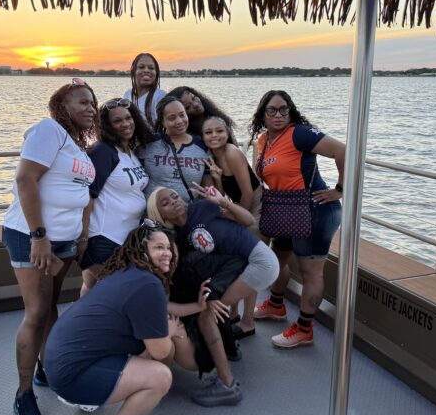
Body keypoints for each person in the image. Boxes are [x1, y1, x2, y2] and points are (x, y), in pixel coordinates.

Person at [1, 78, 98, 415]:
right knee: (37, 311)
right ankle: (23, 393)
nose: (90, 108)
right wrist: (38, 236)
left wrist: (83, 233)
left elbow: (82, 195)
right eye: (81, 102)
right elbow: (25, 180)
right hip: (33, 236)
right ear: (62, 107)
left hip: (66, 241)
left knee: (52, 304)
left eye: (93, 103)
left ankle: (48, 369)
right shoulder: (49, 131)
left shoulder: (76, 146)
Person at [44, 225, 181, 415]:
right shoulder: (149, 285)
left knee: (140, 346)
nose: (167, 253)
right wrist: (170, 334)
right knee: (160, 378)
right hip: (70, 375)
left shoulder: (124, 272)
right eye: (159, 247)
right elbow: (160, 353)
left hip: (60, 360)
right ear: (141, 250)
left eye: (169, 247)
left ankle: (89, 394)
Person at [248, 90, 345, 349]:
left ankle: (304, 329)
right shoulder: (264, 140)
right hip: (285, 209)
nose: (278, 115)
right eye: (272, 110)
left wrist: (340, 189)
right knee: (276, 259)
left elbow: (342, 151)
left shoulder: (299, 133)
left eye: (283, 109)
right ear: (263, 114)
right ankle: (276, 305)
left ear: (290, 111)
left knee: (310, 271)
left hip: (314, 209)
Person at [148, 184, 279, 366]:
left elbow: (248, 221)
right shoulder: (178, 237)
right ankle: (229, 351)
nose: (174, 202)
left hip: (260, 261)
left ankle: (223, 373)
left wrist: (223, 202)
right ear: (161, 215)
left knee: (210, 311)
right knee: (213, 302)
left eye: (175, 196)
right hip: (237, 265)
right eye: (166, 203)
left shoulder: (203, 207)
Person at [79, 98, 153, 296]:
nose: (126, 124)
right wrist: (83, 237)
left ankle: (78, 325)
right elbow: (87, 195)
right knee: (122, 294)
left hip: (126, 238)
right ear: (108, 126)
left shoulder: (129, 151)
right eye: (117, 121)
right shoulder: (103, 151)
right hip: (103, 238)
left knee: (92, 288)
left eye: (128, 118)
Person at [202, 114, 263, 334]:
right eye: (208, 132)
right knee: (238, 263)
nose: (214, 135)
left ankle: (248, 322)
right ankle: (233, 314)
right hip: (239, 209)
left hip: (255, 209)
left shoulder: (232, 152)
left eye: (219, 131)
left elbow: (247, 192)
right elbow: (225, 196)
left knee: (251, 265)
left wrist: (239, 221)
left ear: (227, 133)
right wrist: (217, 178)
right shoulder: (213, 158)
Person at [138, 96, 212, 203]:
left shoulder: (202, 147)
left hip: (189, 213)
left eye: (182, 115)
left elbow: (207, 189)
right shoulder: (148, 144)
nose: (179, 121)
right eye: (172, 118)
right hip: (154, 214)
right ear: (162, 122)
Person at [165, 86, 237, 139]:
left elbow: (234, 146)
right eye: (188, 107)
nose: (195, 104)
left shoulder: (219, 118)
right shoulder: (189, 134)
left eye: (193, 98)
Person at [125, 53, 166, 127]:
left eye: (151, 68)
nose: (146, 70)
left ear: (156, 73)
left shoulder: (160, 96)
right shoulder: (127, 94)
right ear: (133, 71)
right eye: (141, 67)